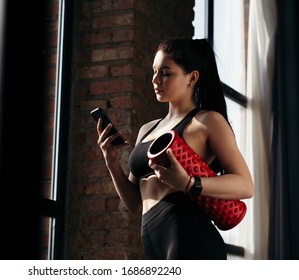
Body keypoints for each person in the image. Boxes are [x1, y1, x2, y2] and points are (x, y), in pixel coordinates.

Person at [95, 38, 254, 260]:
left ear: (192, 77)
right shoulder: (147, 129)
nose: (155, 79)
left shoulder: (207, 121)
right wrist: (111, 161)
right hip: (152, 240)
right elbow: (134, 204)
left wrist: (189, 183)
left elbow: (246, 186)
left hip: (190, 236)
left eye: (166, 73)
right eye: (154, 71)